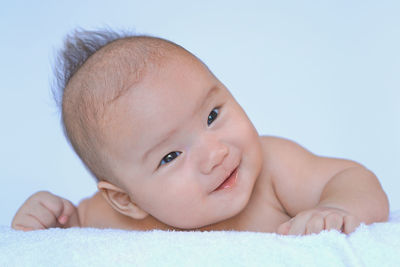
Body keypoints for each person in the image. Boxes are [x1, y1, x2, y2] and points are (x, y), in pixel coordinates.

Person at [12, 29, 389, 235]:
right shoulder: (114, 218)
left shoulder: (274, 168)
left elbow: (352, 178)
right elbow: (69, 229)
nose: (216, 154)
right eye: (171, 155)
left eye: (212, 115)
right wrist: (51, 215)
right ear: (126, 199)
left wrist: (337, 208)